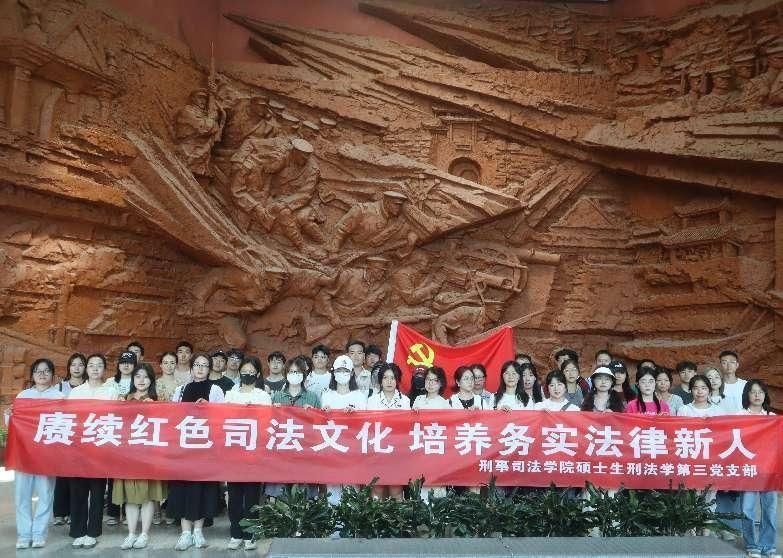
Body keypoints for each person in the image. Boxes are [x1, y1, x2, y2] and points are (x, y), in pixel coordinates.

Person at [169, 353, 224, 551]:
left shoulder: (215, 389)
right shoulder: (181, 390)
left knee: (202, 488)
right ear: (191, 368)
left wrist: (209, 408)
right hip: (184, 447)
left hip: (205, 447)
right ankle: (185, 533)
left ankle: (198, 531)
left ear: (209, 369)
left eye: (205, 365)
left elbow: (223, 417)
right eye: (197, 365)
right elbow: (172, 416)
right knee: (183, 488)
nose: (200, 368)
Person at [68, 353, 120, 549]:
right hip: (79, 448)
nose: (95, 368)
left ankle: (93, 532)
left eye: (99, 365)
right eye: (91, 365)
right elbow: (69, 418)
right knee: (78, 491)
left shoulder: (111, 392)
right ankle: (78, 531)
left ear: (104, 369)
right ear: (86, 369)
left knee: (97, 491)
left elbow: (117, 417)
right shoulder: (76, 392)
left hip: (100, 447)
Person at [113, 364, 166, 550]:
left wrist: (154, 408)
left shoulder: (158, 401)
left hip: (149, 455)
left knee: (148, 496)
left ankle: (144, 534)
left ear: (151, 380)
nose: (141, 380)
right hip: (127, 455)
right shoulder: (123, 399)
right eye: (138, 376)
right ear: (132, 379)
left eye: (145, 376)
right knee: (130, 497)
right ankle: (131, 534)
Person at [14, 358, 63, 549]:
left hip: (47, 454)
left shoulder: (59, 397)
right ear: (32, 375)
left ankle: (38, 533)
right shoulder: (23, 395)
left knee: (45, 494)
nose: (42, 374)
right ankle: (24, 534)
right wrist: (10, 415)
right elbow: (14, 425)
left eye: (46, 371)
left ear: (52, 375)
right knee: (22, 495)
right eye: (38, 371)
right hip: (24, 454)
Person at [224, 357, 270, 551]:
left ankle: (251, 534)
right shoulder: (230, 394)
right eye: (244, 371)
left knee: (252, 496)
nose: (247, 374)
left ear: (257, 374)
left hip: (254, 453)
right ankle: (235, 533)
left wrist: (254, 412)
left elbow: (267, 422)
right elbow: (222, 419)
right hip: (234, 452)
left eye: (251, 372)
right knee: (234, 495)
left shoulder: (263, 396)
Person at [739, 380, 780, 558]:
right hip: (748, 470)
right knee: (747, 509)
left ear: (765, 395)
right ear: (747, 394)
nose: (757, 395)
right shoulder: (739, 416)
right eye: (753, 391)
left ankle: (768, 546)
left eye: (761, 392)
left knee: (770, 510)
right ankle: (751, 545)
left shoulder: (773, 417)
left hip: (769, 470)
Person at [320, 355, 367, 505]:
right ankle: (333, 520)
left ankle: (351, 520)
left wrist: (355, 414)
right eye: (339, 371)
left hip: (352, 450)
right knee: (332, 490)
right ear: (333, 373)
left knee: (351, 490)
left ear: (352, 373)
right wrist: (324, 413)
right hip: (332, 449)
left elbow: (366, 423)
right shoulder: (327, 395)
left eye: (346, 371)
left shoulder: (359, 396)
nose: (342, 374)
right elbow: (320, 423)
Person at [53, 353, 87, 525]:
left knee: (78, 477)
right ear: (69, 367)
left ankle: (75, 512)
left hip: (84, 436)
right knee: (62, 476)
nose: (77, 368)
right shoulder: (59, 387)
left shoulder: (89, 387)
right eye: (73, 364)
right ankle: (60, 512)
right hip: (65, 435)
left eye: (80, 364)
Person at [367, 362, 410, 499]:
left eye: (392, 378)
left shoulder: (405, 401)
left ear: (397, 380)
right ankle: (375, 514)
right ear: (380, 380)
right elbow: (367, 426)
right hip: (377, 451)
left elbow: (408, 427)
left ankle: (399, 514)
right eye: (385, 378)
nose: (389, 381)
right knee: (377, 488)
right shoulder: (372, 401)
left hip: (397, 451)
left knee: (396, 489)